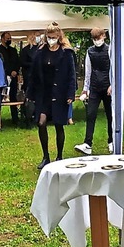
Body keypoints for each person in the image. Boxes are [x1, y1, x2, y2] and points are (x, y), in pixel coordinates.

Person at [28, 22, 76, 169]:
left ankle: (59, 156)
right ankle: (45, 156)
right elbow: (34, 74)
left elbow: (71, 75)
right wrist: (30, 93)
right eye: (49, 37)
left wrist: (70, 94)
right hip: (44, 94)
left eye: (54, 37)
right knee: (41, 123)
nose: (51, 40)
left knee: (58, 125)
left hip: (59, 93)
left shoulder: (66, 53)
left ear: (59, 37)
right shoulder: (40, 52)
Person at [74, 28, 113, 155]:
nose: (97, 41)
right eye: (94, 39)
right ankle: (87, 143)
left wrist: (113, 85)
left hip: (108, 87)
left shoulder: (110, 50)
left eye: (98, 38)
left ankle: (112, 141)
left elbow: (114, 68)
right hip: (95, 87)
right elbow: (88, 71)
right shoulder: (90, 51)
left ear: (104, 36)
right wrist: (85, 89)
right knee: (90, 114)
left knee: (110, 115)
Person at [0, 32, 20, 125]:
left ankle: (15, 118)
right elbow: (0, 64)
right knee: (0, 97)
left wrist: (15, 71)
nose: (9, 40)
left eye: (10, 38)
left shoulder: (13, 50)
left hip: (13, 78)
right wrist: (9, 72)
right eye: (7, 38)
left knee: (14, 97)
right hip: (3, 78)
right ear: (2, 39)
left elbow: (17, 62)